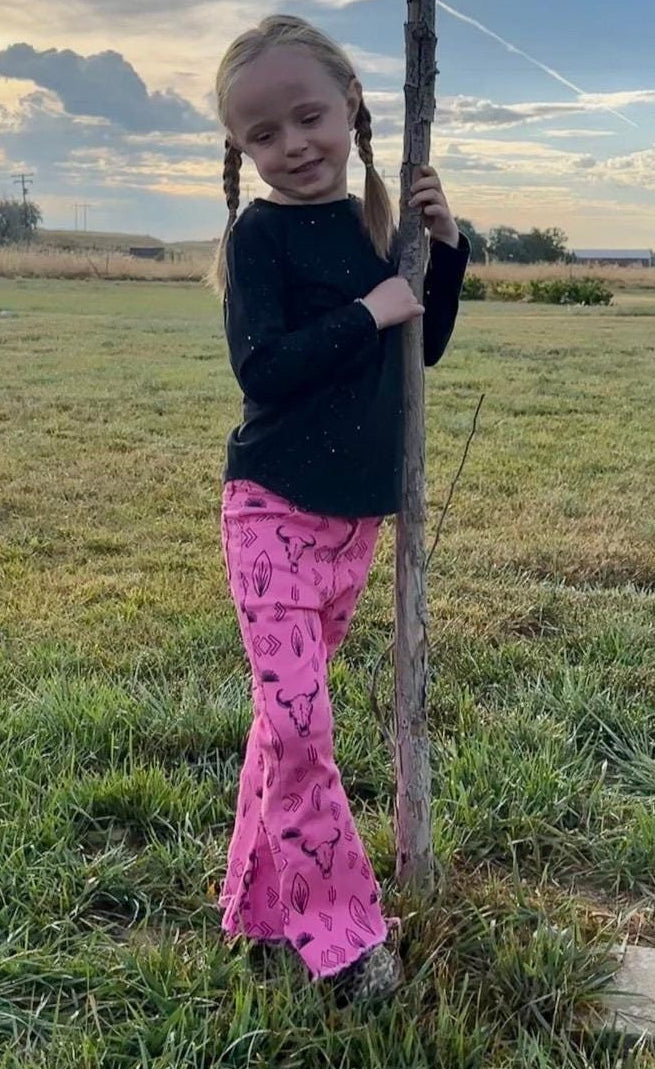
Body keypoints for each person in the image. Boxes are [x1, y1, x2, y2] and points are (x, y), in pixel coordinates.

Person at [209, 13, 469, 1002]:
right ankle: (346, 934)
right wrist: (369, 309)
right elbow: (263, 369)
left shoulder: (374, 227)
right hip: (271, 512)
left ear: (351, 103)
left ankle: (255, 907)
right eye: (262, 135)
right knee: (302, 730)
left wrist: (438, 253)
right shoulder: (260, 238)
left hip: (351, 530)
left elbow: (420, 348)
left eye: (307, 117)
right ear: (241, 149)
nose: (291, 147)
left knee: (281, 733)